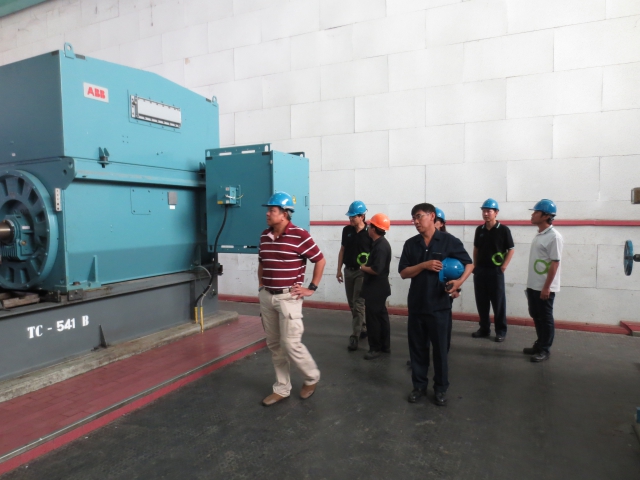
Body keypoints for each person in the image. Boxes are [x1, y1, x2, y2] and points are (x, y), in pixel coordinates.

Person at [399, 203, 473, 407]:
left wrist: (459, 282)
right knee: (417, 349)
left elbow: (469, 263)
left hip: (439, 306)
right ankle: (419, 386)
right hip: (417, 304)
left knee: (440, 350)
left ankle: (440, 388)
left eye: (419, 216)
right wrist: (424, 265)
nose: (415, 221)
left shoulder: (449, 241)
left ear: (432, 216)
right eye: (413, 218)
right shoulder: (411, 244)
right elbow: (403, 272)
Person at [258, 192, 326, 406]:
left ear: (284, 214)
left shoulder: (300, 235)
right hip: (267, 296)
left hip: (289, 297)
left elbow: (320, 260)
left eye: (272, 210)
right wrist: (261, 286)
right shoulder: (264, 235)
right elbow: (262, 262)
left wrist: (311, 288)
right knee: (274, 344)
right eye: (268, 210)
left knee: (290, 343)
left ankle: (311, 377)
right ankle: (282, 388)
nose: (267, 214)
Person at [471, 199, 515, 343]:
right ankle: (484, 328)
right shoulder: (479, 230)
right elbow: (476, 248)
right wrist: (475, 266)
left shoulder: (503, 230)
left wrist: (504, 266)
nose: (485, 213)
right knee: (481, 302)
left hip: (495, 272)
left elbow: (511, 249)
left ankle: (501, 331)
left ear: (496, 213)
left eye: (489, 211)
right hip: (481, 271)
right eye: (484, 211)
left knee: (498, 303)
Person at [525, 199, 563, 363]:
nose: (532, 215)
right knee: (536, 315)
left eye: (536, 212)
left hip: (544, 287)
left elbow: (555, 263)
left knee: (545, 318)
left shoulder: (554, 237)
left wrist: (547, 287)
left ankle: (545, 349)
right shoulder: (540, 235)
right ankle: (539, 344)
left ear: (546, 216)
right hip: (534, 284)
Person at [337, 201, 372, 351]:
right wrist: (339, 270)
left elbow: (375, 253)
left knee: (358, 303)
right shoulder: (347, 231)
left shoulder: (369, 232)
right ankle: (362, 327)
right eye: (350, 216)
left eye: (353, 216)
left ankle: (355, 335)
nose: (350, 219)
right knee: (352, 303)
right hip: (348, 271)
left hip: (361, 273)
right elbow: (342, 250)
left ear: (362, 216)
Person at [359, 213, 392, 360]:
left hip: (375, 289)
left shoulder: (381, 247)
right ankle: (385, 346)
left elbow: (376, 269)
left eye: (370, 226)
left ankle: (375, 348)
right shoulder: (380, 244)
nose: (368, 228)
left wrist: (362, 267)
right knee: (381, 317)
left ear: (374, 229)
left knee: (373, 319)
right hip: (379, 288)